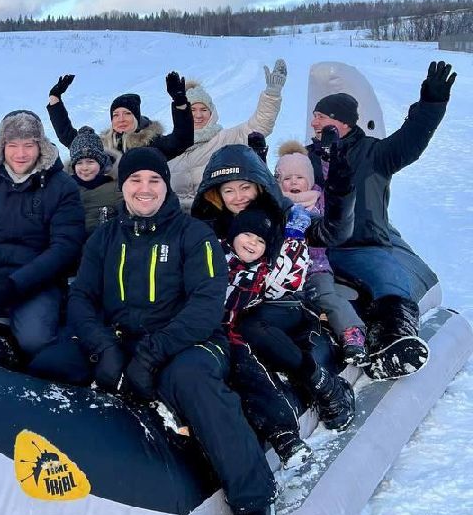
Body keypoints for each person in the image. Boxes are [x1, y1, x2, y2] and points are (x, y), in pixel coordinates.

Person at [66, 146, 278, 515]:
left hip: (188, 341)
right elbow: (81, 298)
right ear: (122, 187)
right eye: (135, 180)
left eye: (154, 180)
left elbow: (206, 305)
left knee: (190, 380)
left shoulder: (193, 235)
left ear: (166, 186)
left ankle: (253, 497)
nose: (144, 189)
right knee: (53, 362)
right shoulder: (104, 238)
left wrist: (151, 354)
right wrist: (103, 347)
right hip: (121, 339)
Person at [306, 61, 457, 379]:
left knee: (390, 280)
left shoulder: (375, 153)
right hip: (317, 245)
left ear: (342, 122)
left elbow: (411, 140)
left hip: (362, 245)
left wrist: (431, 104)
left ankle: (393, 342)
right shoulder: (306, 157)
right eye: (314, 116)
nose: (313, 122)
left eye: (321, 116)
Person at [192, 144, 355, 432]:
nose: (238, 197)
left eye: (245, 187)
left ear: (259, 186)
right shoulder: (210, 224)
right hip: (233, 305)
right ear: (216, 193)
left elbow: (333, 232)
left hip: (282, 302)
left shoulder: (286, 215)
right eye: (229, 190)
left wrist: (341, 192)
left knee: (251, 327)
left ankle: (322, 383)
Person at [0, 109, 84, 371]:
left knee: (35, 341)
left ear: (40, 146)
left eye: (28, 145)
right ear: (2, 146)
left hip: (37, 286)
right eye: (13, 145)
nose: (20, 154)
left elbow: (65, 248)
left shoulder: (62, 186)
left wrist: (12, 288)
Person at [222, 207, 313, 469]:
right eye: (247, 235)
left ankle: (284, 435)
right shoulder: (213, 256)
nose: (252, 243)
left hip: (229, 335)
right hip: (200, 329)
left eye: (260, 240)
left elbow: (289, 279)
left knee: (252, 373)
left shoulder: (262, 271)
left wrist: (294, 240)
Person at [275, 141, 366, 365]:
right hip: (282, 270)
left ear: (309, 179)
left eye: (299, 177)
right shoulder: (276, 202)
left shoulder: (319, 198)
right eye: (287, 178)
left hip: (315, 268)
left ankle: (352, 333)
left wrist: (328, 161)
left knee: (327, 297)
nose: (293, 182)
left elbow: (335, 188)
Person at [167, 60, 287, 211]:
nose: (198, 115)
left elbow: (259, 125)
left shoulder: (225, 139)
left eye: (204, 109)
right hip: (175, 216)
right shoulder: (170, 146)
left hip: (212, 213)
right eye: (192, 110)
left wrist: (272, 94)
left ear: (212, 113)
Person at [46, 72, 194, 170]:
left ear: (137, 118)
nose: (121, 119)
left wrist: (180, 103)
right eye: (115, 115)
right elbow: (69, 137)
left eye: (127, 113)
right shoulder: (102, 145)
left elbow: (182, 140)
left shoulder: (153, 143)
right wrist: (55, 98)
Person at [66, 126, 122, 237]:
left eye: (90, 162)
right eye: (79, 163)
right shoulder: (66, 189)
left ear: (101, 163)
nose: (85, 168)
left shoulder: (115, 188)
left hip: (105, 242)